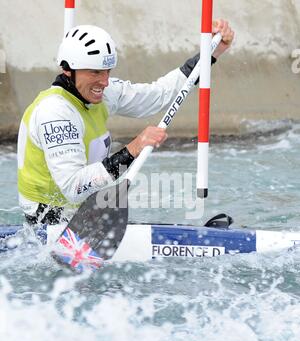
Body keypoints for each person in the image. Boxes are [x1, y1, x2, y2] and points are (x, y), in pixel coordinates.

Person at [17, 20, 234, 225]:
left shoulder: (102, 92)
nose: (104, 81)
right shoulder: (55, 112)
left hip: (82, 211)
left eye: (107, 71)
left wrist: (211, 53)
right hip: (47, 220)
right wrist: (133, 149)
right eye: (95, 72)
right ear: (67, 69)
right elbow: (74, 188)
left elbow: (160, 94)